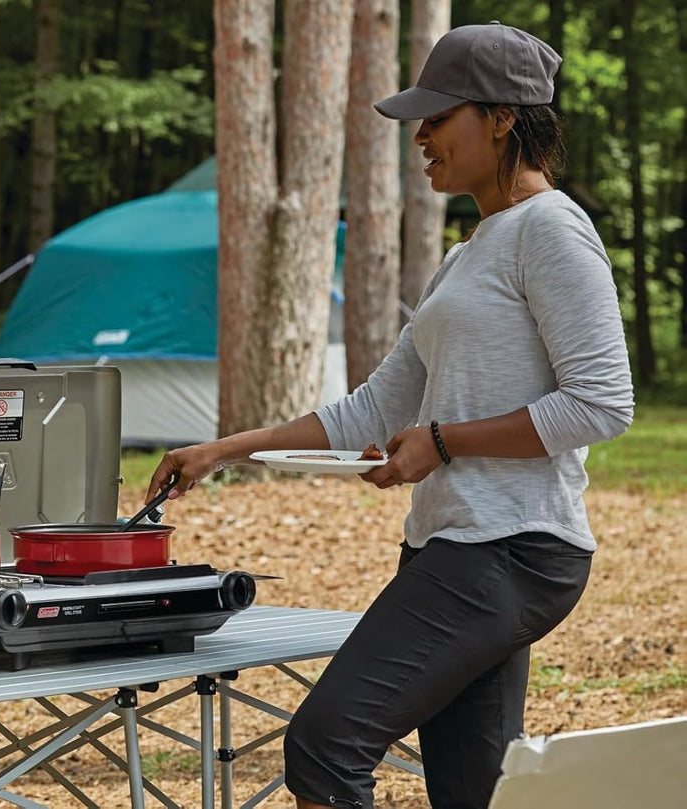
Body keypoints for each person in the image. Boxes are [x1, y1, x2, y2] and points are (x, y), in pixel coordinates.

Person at [145, 21, 633, 809]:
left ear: (503, 116)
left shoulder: (551, 229)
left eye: (439, 118)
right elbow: (375, 406)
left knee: (324, 746)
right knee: (473, 789)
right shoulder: (467, 253)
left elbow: (603, 402)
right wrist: (224, 447)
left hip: (511, 549)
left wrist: (442, 442)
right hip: (457, 543)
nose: (422, 138)